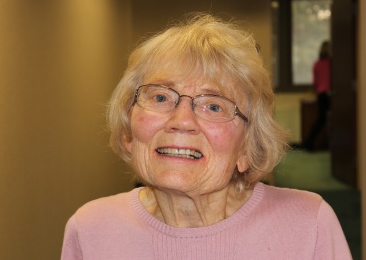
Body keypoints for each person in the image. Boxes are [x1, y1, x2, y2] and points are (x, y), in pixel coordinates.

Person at [61, 14, 351, 259]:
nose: (182, 120)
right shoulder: (90, 231)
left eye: (214, 105)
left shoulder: (308, 226)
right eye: (160, 97)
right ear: (128, 129)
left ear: (247, 148)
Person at [303, 40, 331, 151]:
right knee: (324, 120)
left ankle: (309, 142)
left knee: (321, 120)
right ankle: (309, 142)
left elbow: (315, 83)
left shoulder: (317, 64)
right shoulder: (331, 63)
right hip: (329, 94)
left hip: (320, 95)